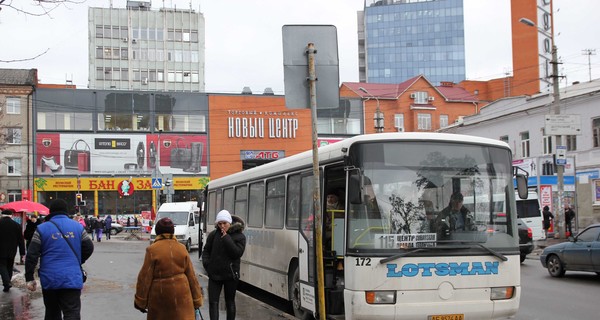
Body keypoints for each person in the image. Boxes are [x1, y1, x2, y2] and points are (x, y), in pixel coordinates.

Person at [25, 199, 94, 319]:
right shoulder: (78, 227)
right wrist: (77, 260)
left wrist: (30, 277)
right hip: (72, 278)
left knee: (52, 313)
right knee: (72, 313)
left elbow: (32, 255)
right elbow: (89, 247)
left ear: (51, 212)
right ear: (66, 212)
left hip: (50, 279)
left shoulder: (41, 229)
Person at [134, 217, 203, 319]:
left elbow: (145, 278)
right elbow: (191, 276)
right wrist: (197, 299)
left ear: (157, 231)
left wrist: (140, 301)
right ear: (173, 231)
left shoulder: (152, 250)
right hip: (182, 297)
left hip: (160, 298)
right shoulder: (182, 248)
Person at [202, 210, 246, 320]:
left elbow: (237, 253)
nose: (222, 226)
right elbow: (206, 251)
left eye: (224, 223)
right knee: (213, 302)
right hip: (214, 274)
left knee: (230, 302)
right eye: (219, 223)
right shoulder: (213, 235)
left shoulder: (240, 236)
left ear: (230, 223)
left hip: (230, 275)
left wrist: (226, 238)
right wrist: (207, 264)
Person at [0, 209, 26, 292]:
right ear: (11, 215)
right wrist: (22, 253)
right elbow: (21, 240)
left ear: (2, 215)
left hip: (1, 250)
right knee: (10, 266)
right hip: (12, 250)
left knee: (2, 265)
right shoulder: (17, 225)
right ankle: (7, 283)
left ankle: (6, 282)